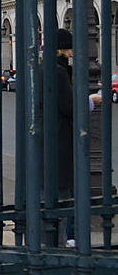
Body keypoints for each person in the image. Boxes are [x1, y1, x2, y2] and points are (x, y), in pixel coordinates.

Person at [54, 28, 101, 247]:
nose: (73, 50)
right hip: (62, 140)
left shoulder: (55, 70)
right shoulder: (59, 72)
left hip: (55, 141)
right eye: (70, 47)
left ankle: (64, 234)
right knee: (69, 190)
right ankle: (69, 236)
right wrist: (90, 100)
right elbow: (69, 106)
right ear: (62, 48)